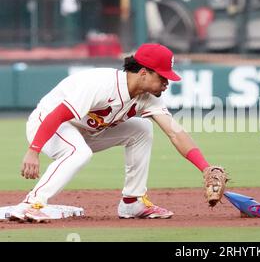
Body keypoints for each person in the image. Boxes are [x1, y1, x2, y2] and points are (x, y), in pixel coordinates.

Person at [10, 43, 222, 222]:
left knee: (142, 129)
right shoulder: (101, 84)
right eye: (163, 77)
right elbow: (57, 115)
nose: (167, 83)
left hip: (87, 131)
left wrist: (205, 167)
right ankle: (32, 203)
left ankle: (132, 202)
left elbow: (175, 132)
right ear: (143, 72)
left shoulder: (149, 97)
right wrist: (33, 150)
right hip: (48, 125)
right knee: (79, 152)